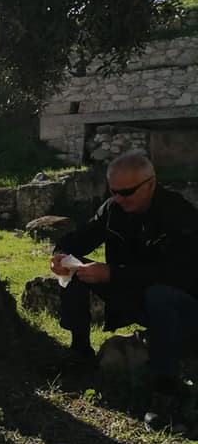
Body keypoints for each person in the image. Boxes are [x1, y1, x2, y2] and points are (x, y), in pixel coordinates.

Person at [50, 151, 198, 428]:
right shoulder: (113, 209)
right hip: (133, 291)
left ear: (150, 184)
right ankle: (80, 352)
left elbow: (179, 275)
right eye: (114, 191)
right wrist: (60, 257)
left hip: (181, 304)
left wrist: (112, 273)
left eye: (127, 192)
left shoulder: (180, 214)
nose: (119, 198)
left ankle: (166, 388)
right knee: (76, 268)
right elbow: (79, 238)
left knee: (159, 294)